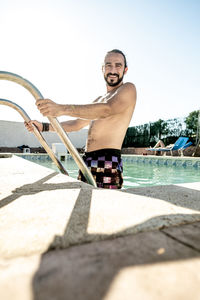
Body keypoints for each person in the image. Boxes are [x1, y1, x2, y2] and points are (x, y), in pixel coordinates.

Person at [25, 49, 137, 189]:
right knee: (85, 206)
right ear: (103, 69)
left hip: (107, 161)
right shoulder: (99, 100)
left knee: (104, 208)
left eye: (118, 65)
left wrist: (61, 109)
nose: (113, 69)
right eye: (108, 65)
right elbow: (77, 124)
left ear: (125, 70)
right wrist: (44, 126)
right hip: (86, 161)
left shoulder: (128, 89)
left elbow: (107, 110)